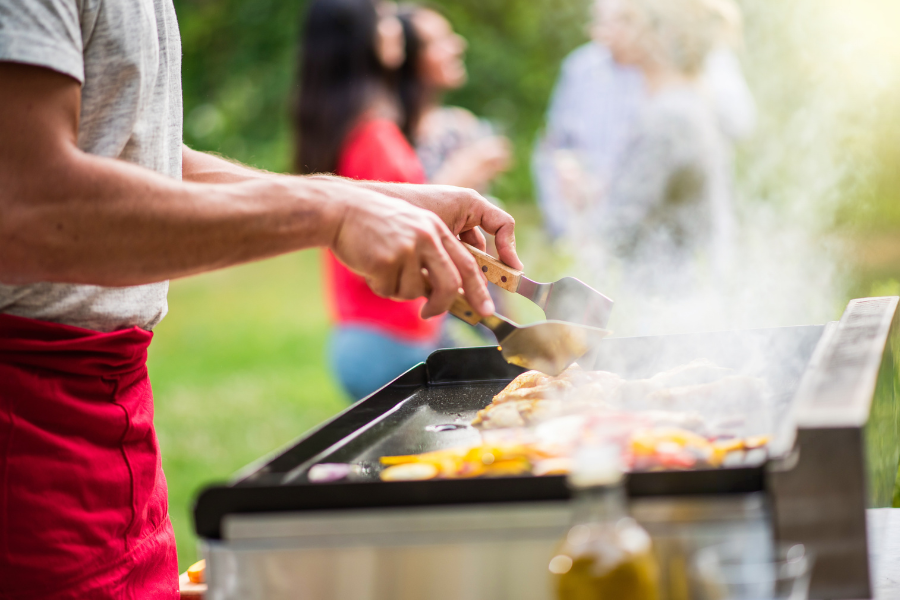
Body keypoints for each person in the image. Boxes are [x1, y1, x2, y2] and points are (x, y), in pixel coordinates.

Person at [0, 0, 522, 596]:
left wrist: (379, 201)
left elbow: (151, 160)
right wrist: (332, 212)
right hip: (26, 427)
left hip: (115, 422)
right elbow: (21, 205)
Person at [296, 0, 454, 401]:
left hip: (362, 333)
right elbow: (398, 230)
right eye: (383, 17)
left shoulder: (342, 125)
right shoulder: (374, 136)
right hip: (394, 341)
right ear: (356, 36)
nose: (396, 28)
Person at [533, 0, 754, 241]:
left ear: (658, 34)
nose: (606, 31)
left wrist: (584, 210)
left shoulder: (669, 117)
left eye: (627, 20)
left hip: (668, 276)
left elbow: (620, 231)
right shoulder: (674, 106)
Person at [397, 4, 512, 193]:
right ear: (407, 56)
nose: (458, 46)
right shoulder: (388, 133)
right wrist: (468, 166)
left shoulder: (458, 125)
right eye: (438, 41)